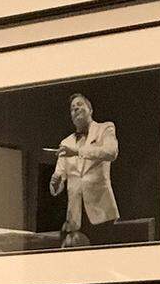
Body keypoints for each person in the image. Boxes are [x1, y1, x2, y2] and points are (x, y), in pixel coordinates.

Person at [49, 93, 120, 247]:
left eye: (79, 105)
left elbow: (111, 152)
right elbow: (59, 176)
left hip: (101, 212)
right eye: (72, 108)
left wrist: (77, 151)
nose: (75, 109)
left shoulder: (105, 128)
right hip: (75, 217)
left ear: (90, 109)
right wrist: (55, 183)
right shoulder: (66, 142)